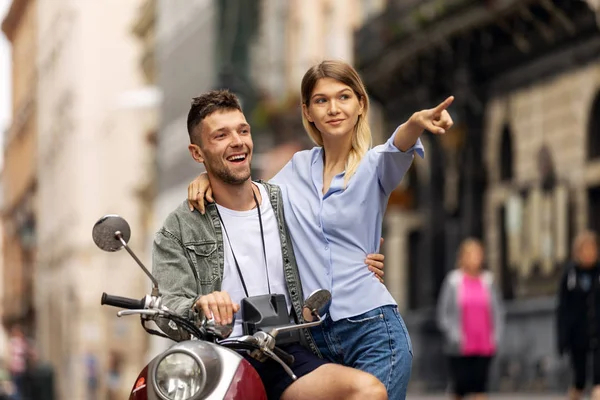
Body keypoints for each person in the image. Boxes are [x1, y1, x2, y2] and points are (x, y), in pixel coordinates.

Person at [187, 59, 455, 399]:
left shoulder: (374, 167)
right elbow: (248, 197)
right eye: (321, 100)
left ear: (360, 104)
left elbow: (398, 146)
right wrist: (206, 176)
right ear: (307, 111)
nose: (333, 108)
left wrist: (416, 122)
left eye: (344, 97)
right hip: (314, 337)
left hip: (372, 329)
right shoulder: (296, 168)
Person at [153, 89, 388, 400]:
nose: (237, 141)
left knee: (367, 390)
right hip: (218, 360)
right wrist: (200, 306)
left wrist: (362, 261)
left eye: (243, 130)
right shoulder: (178, 229)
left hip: (282, 351)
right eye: (221, 135)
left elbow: (336, 237)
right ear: (198, 153)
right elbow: (169, 306)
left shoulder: (288, 200)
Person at [436, 238, 505, 400]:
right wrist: (453, 335)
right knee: (459, 388)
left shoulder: (488, 280)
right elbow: (443, 313)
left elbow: (497, 311)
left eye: (478, 254)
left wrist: (496, 336)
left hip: (484, 344)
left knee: (480, 387)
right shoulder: (453, 281)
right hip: (460, 346)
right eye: (471, 254)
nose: (475, 258)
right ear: (463, 257)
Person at [557, 231, 600, 400]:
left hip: (598, 332)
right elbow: (563, 309)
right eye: (585, 249)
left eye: (592, 249)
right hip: (577, 336)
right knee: (579, 380)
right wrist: (562, 339)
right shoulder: (570, 276)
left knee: (598, 380)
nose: (589, 253)